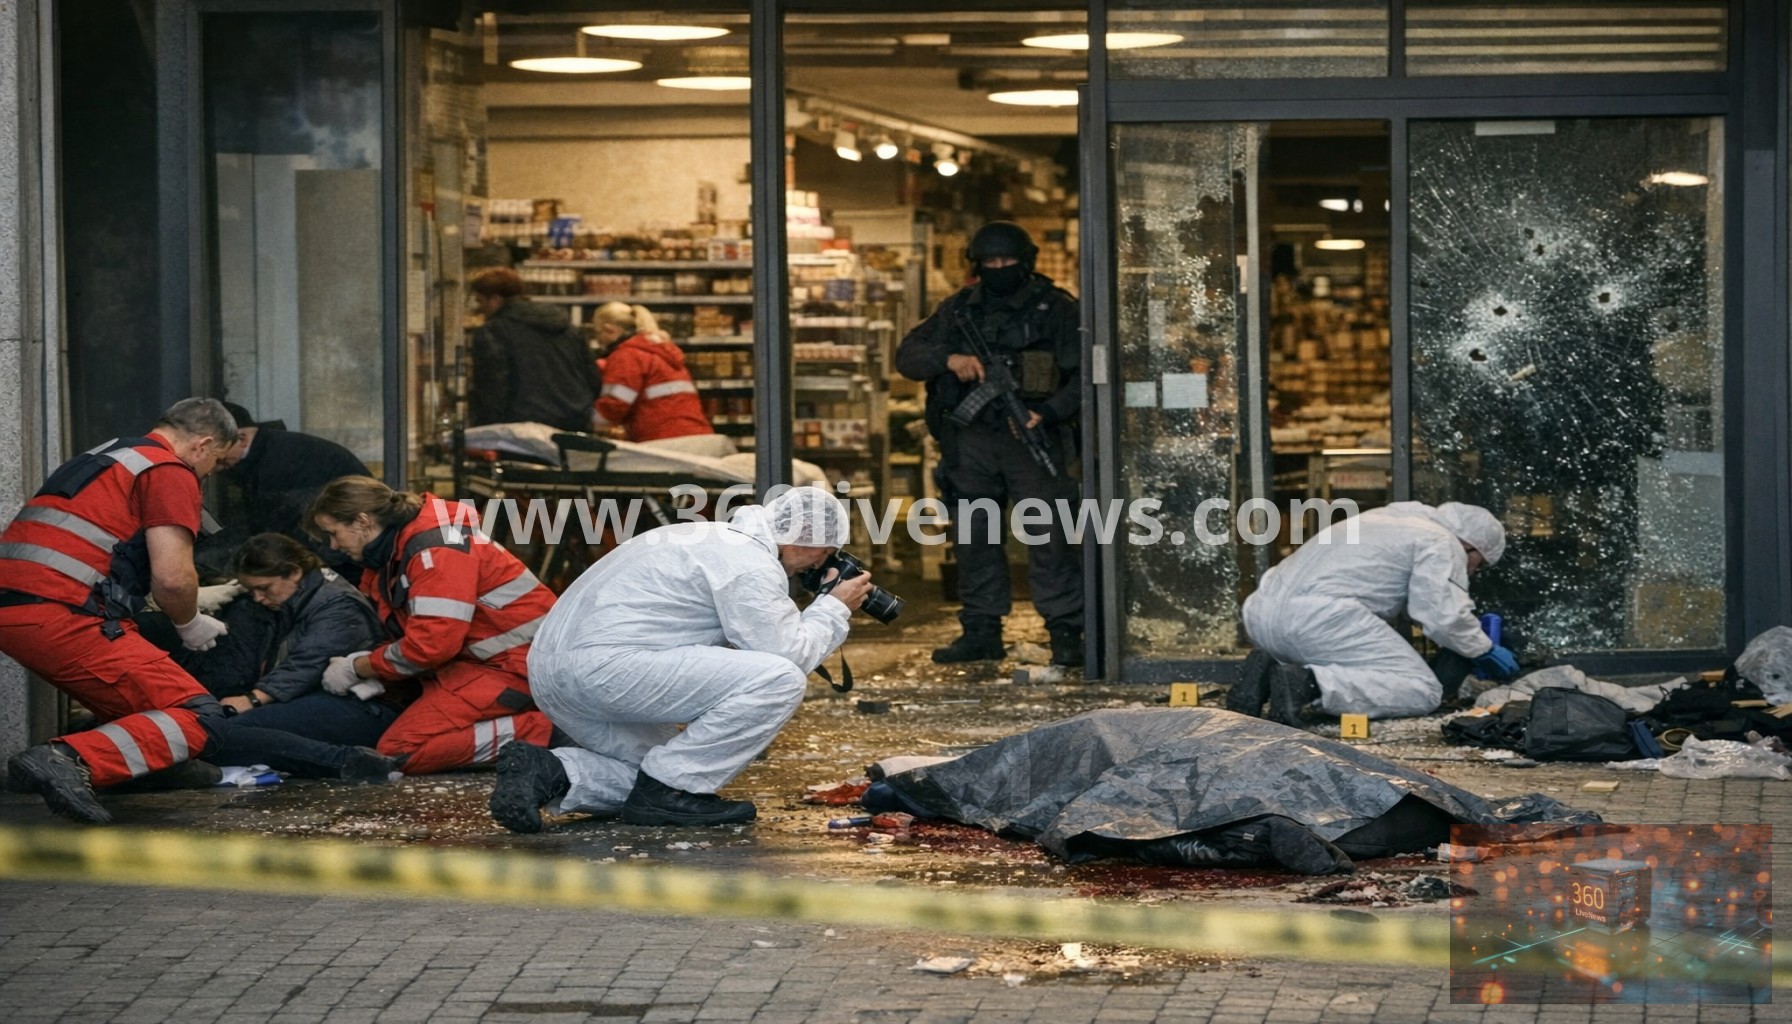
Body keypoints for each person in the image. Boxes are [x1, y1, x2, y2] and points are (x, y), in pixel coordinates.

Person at [0, 399, 385, 824]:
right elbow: (173, 578)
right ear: (202, 445)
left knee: (141, 716)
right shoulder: (168, 470)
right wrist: (189, 621)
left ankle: (149, 770)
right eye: (217, 464)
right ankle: (66, 758)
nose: (213, 475)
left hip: (20, 612)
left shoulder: (107, 456)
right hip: (66, 612)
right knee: (197, 715)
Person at [489, 486, 872, 832]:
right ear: (805, 539)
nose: (820, 563)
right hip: (608, 670)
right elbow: (789, 654)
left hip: (553, 674)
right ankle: (670, 792)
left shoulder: (703, 536)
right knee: (779, 678)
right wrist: (833, 608)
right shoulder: (749, 562)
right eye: (826, 552)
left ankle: (552, 773)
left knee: (654, 770)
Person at [895, 221, 1084, 667]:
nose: (999, 270)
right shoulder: (958, 310)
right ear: (977, 265)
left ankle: (1066, 631)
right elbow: (908, 356)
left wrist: (1049, 412)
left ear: (1026, 262)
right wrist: (949, 359)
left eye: (1007, 262)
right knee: (973, 537)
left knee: (1050, 537)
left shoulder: (1055, 309)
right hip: (972, 440)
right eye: (990, 263)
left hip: (1031, 437)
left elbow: (1085, 378)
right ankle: (981, 630)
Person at [305, 476, 559, 774]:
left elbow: (431, 645)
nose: (333, 545)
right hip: (498, 664)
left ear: (362, 521)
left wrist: (359, 667)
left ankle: (549, 734)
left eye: (334, 533)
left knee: (401, 750)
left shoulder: (435, 551)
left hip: (515, 670)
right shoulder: (405, 549)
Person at [1232, 501, 1521, 724]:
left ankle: (1268, 667)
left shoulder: (1380, 519)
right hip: (1319, 618)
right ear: (1470, 545)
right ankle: (1308, 685)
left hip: (1262, 612)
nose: (1473, 571)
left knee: (1363, 666)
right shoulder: (1442, 541)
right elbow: (1443, 615)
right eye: (1478, 564)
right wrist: (1483, 649)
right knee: (1422, 689)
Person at [194, 533, 403, 778]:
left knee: (227, 734)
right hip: (319, 700)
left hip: (362, 707)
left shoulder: (338, 603)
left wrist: (252, 700)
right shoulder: (290, 601)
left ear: (293, 572)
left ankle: (348, 762)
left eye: (263, 588)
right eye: (252, 590)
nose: (258, 598)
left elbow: (306, 664)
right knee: (224, 733)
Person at [590, 301, 736, 457]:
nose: (599, 341)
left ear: (609, 329)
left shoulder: (626, 355)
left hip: (665, 442)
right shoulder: (661, 353)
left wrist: (587, 423)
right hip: (698, 436)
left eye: (598, 334)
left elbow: (615, 404)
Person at [467, 267, 604, 432]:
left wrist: (484, 432)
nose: (480, 308)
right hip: (575, 422)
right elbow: (593, 378)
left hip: (524, 430)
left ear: (495, 300)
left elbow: (493, 388)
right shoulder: (568, 328)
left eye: (481, 301)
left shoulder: (494, 331)